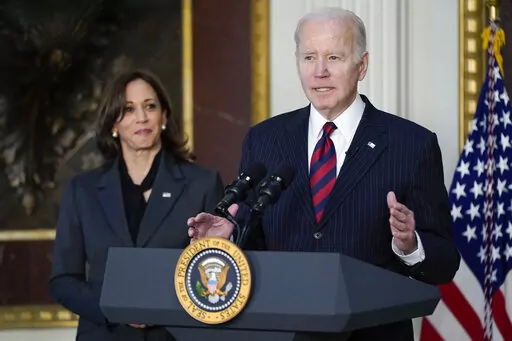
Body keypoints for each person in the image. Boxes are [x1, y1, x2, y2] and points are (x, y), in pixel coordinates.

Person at [187, 7, 460, 341]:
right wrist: (228, 238)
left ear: (361, 66)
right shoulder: (265, 140)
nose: (319, 72)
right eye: (308, 57)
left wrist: (409, 244)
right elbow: (255, 240)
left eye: (333, 57)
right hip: (283, 332)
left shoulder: (411, 144)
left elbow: (445, 263)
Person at [48, 69, 224, 341]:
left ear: (164, 116)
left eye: (150, 106)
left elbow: (218, 272)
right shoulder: (82, 190)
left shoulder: (203, 184)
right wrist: (116, 309)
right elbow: (63, 281)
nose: (141, 117)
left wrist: (161, 307)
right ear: (113, 124)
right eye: (128, 109)